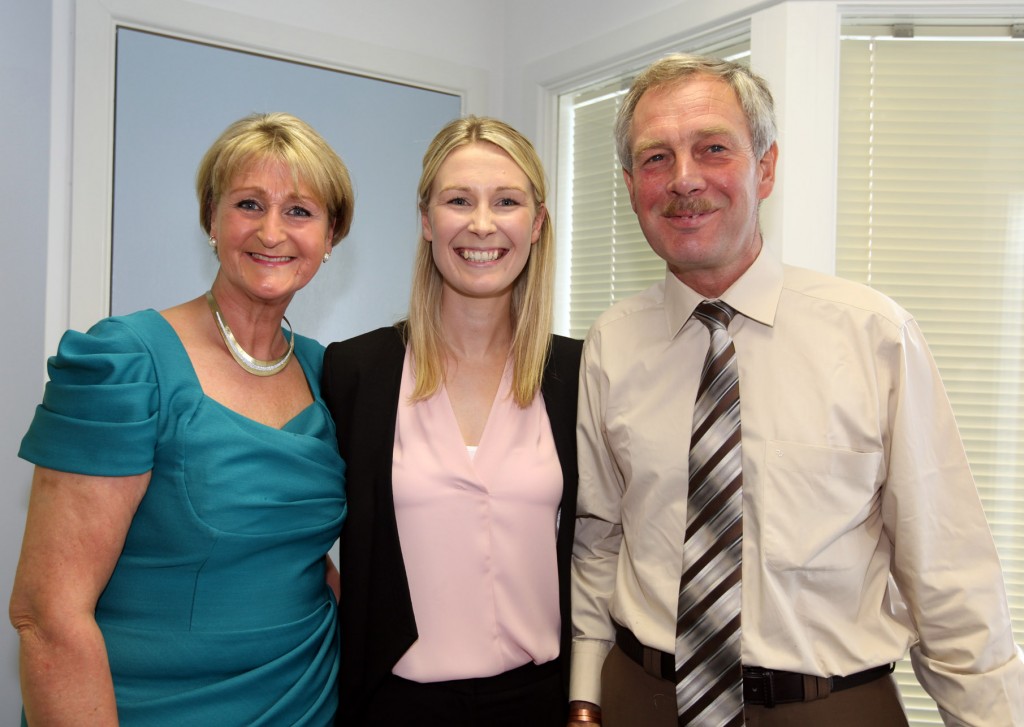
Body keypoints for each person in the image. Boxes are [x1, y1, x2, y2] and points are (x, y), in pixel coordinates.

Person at [568, 53, 1024, 727]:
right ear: (632, 182)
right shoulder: (612, 342)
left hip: (833, 705)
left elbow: (947, 569)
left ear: (767, 166)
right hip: (644, 698)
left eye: (713, 148)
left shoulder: (875, 335)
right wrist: (586, 696)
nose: (684, 179)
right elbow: (599, 537)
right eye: (656, 158)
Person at [9, 112, 353, 725]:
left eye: (300, 211)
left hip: (310, 704)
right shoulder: (124, 362)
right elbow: (47, 614)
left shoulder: (328, 373)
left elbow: (295, 553)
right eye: (249, 203)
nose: (272, 232)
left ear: (330, 239)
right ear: (212, 221)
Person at [321, 115, 581, 727]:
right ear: (426, 221)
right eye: (458, 200)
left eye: (508, 201)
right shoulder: (356, 371)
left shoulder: (577, 373)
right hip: (396, 706)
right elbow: (303, 534)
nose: (482, 224)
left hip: (542, 702)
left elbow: (603, 547)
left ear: (537, 224)